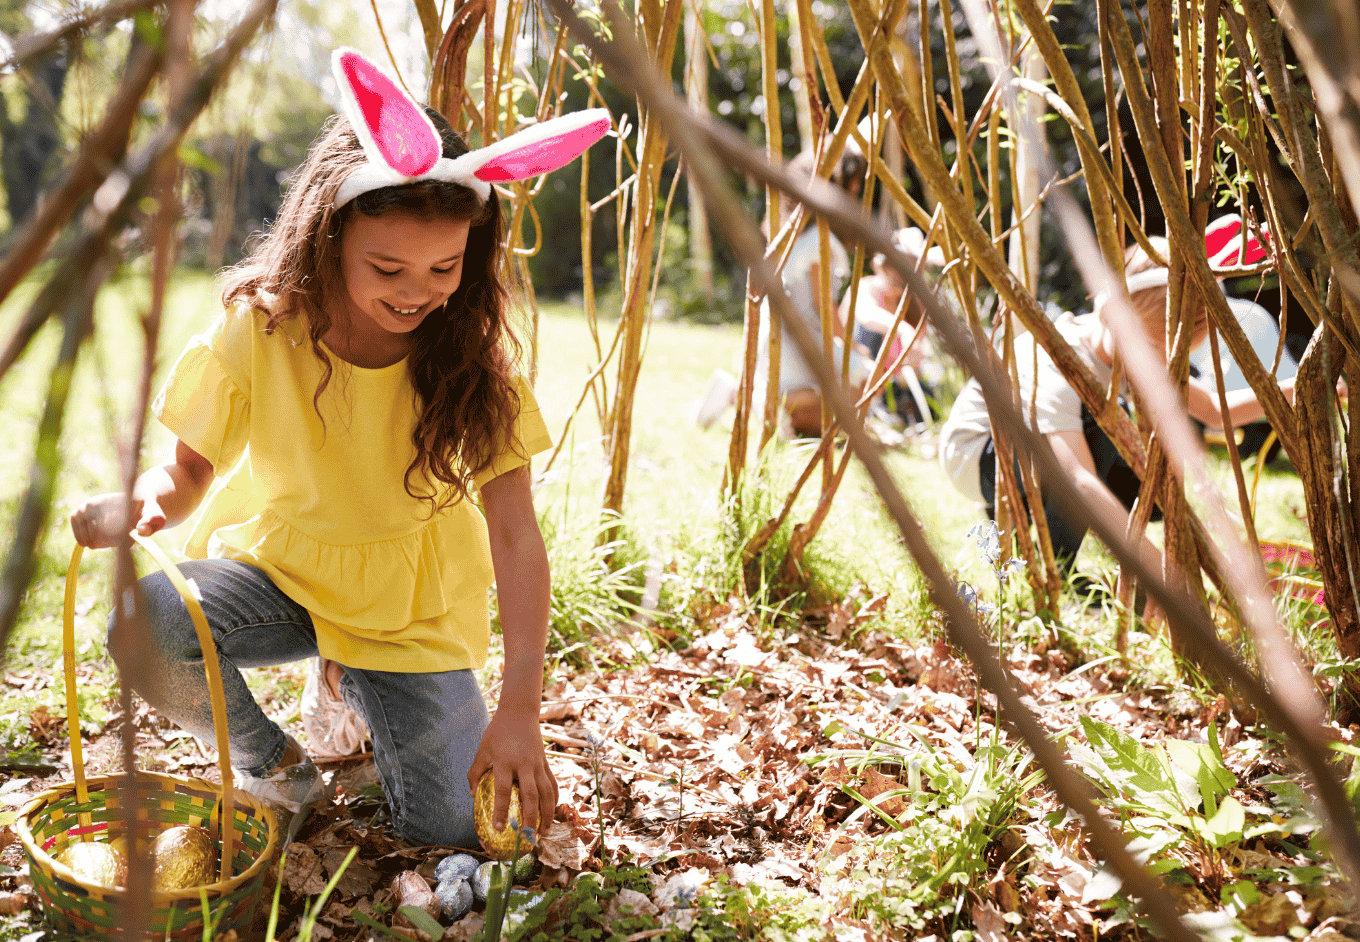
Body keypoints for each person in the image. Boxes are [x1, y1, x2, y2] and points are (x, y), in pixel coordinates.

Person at [67, 48, 610, 848]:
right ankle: (278, 766)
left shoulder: (469, 362)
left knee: (455, 830)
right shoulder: (266, 325)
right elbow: (185, 474)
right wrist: (142, 501)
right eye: (387, 266)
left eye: (444, 266)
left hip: (407, 611)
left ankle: (352, 683)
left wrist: (521, 706)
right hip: (285, 570)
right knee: (142, 621)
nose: (417, 290)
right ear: (327, 239)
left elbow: (516, 534)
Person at [938, 237, 1298, 581]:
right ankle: (1056, 569)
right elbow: (1078, 480)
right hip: (977, 454)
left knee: (1148, 475)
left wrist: (1295, 389)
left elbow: (1216, 412)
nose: (1157, 366)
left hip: (1041, 449)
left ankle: (1033, 531)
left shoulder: (1141, 355)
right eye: (1151, 349)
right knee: (1104, 436)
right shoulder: (1056, 363)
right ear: (1114, 317)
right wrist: (1156, 571)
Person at [838, 226, 947, 429]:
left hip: (893, 384)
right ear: (880, 265)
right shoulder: (865, 287)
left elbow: (912, 359)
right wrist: (903, 329)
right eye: (897, 264)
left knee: (926, 405)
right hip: (857, 376)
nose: (902, 273)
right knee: (872, 335)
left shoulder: (915, 304)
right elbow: (866, 314)